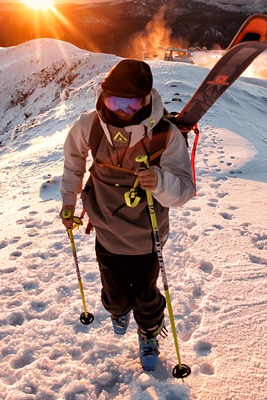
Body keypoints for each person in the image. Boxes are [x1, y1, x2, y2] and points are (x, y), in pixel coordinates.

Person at [60, 59, 196, 371]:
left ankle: (148, 331)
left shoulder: (165, 135)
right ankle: (118, 309)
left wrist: (160, 181)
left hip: (147, 235)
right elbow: (73, 162)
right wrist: (69, 200)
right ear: (103, 96)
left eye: (131, 102)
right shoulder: (89, 125)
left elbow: (184, 191)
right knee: (114, 293)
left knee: (146, 293)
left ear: (146, 99)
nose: (121, 110)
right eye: (113, 101)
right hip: (106, 229)